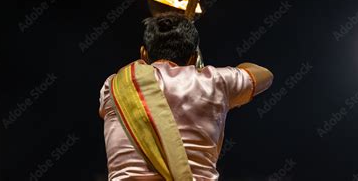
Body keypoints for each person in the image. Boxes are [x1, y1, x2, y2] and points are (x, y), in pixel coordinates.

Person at [99, 13, 273, 180]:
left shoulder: (114, 85)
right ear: (194, 57)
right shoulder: (216, 82)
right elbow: (264, 75)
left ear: (143, 53)